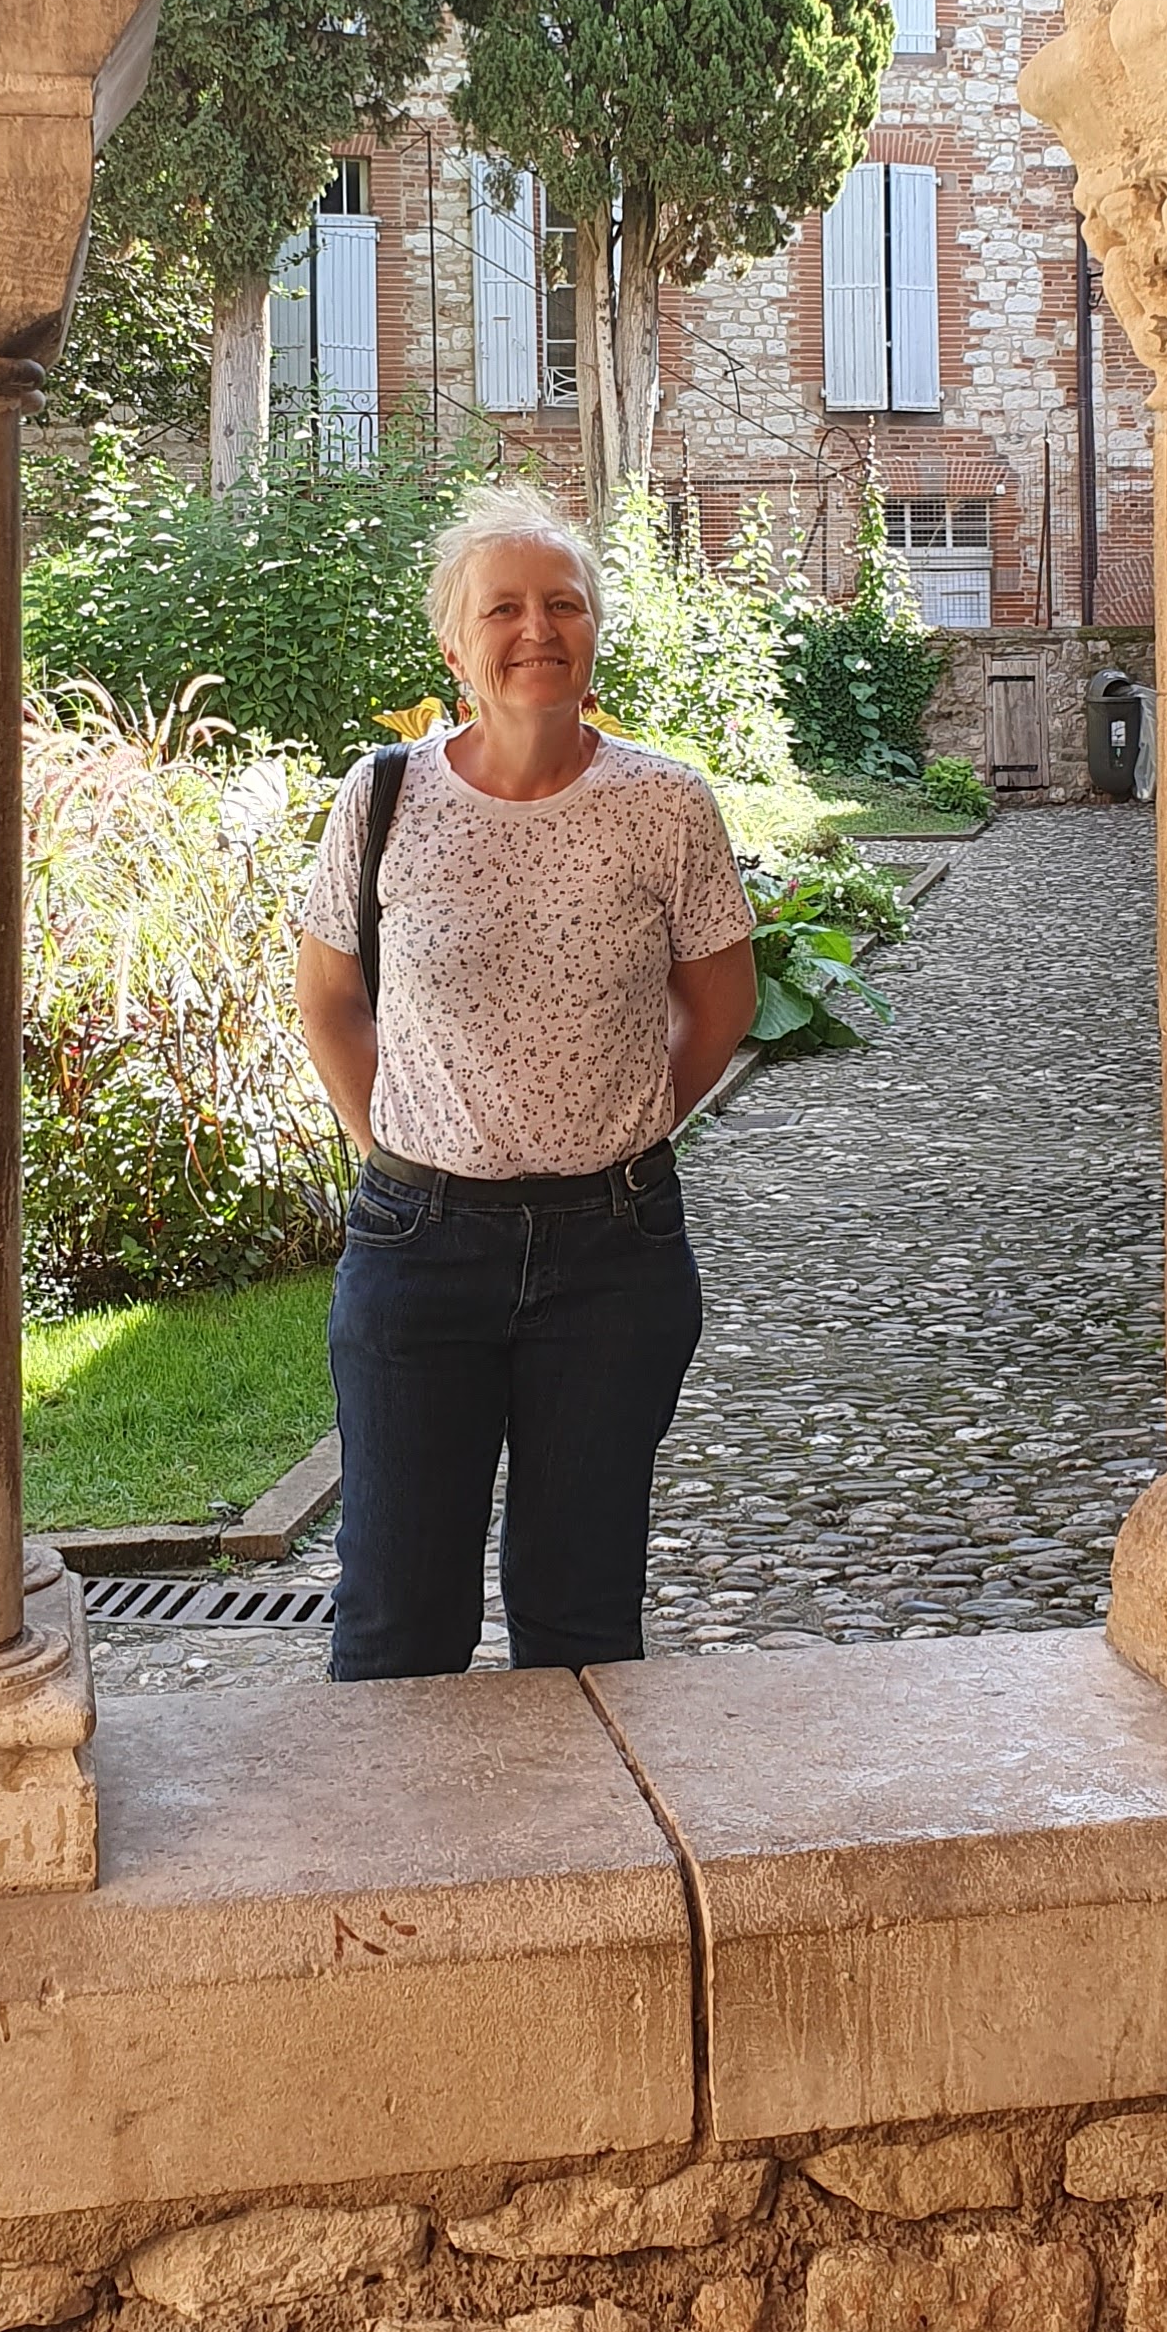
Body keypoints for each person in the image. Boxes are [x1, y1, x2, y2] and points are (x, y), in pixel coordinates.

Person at [295, 479, 757, 1681]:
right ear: (456, 647)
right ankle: (405, 1818)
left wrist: (627, 1126)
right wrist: (388, 1146)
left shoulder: (664, 805)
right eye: (502, 609)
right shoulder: (384, 796)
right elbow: (330, 996)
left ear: (594, 632)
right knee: (397, 1619)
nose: (537, 630)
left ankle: (574, 1816)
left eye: (564, 604)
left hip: (614, 1256)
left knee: (582, 1620)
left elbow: (723, 1004)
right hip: (418, 1252)